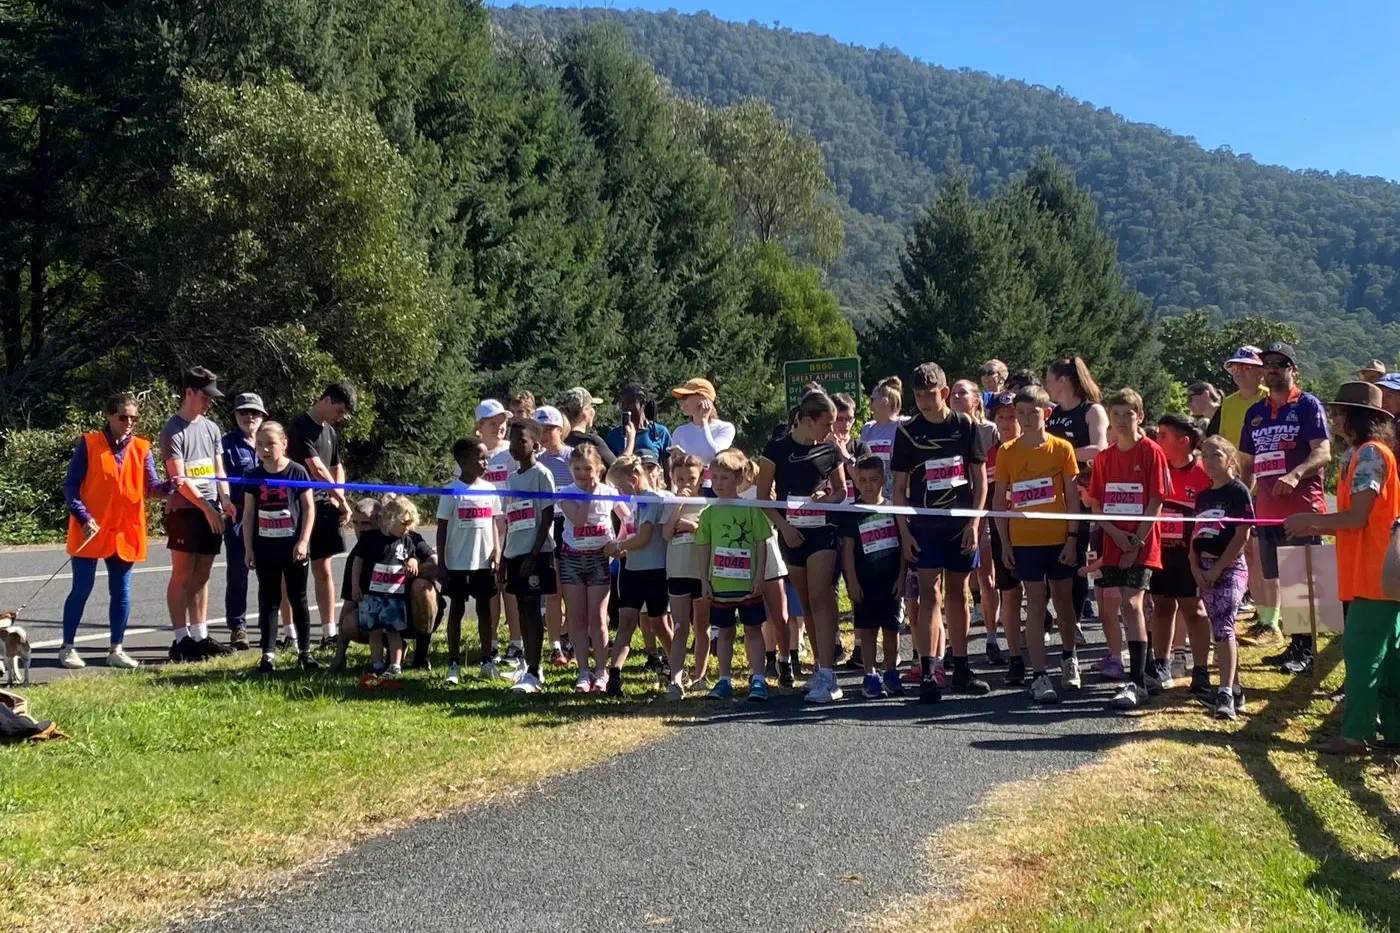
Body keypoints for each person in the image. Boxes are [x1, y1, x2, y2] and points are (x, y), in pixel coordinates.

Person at [1285, 382, 1400, 753]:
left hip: (1374, 576)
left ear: (1355, 415)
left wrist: (1309, 520)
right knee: (1390, 658)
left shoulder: (1369, 455)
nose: (1333, 417)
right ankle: (1393, 732)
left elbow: (1357, 517)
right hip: (1381, 574)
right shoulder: (1368, 453)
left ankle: (1355, 734)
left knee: (1363, 655)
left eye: (1339, 411)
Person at [891, 363, 989, 703]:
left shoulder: (965, 426)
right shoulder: (907, 432)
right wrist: (905, 532)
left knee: (959, 593)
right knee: (929, 595)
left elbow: (981, 481)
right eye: (917, 396)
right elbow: (899, 488)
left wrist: (974, 524)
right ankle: (930, 670)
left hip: (960, 526)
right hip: (925, 527)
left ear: (944, 393)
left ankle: (961, 667)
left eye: (930, 395)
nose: (923, 402)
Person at [58, 393, 174, 669]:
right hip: (91, 529)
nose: (129, 422)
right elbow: (71, 486)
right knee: (81, 588)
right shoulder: (89, 444)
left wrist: (171, 486)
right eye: (123, 417)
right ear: (109, 416)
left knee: (121, 592)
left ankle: (116, 649)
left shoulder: (142, 448)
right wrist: (83, 517)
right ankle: (67, 647)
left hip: (125, 530)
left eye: (134, 418)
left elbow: (151, 488)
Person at [1238, 341, 1331, 668]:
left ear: (1294, 370)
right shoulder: (1255, 413)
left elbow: (1323, 452)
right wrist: (1242, 497)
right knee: (1280, 579)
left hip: (1302, 507)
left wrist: (1295, 474)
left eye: (1281, 363)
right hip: (1266, 512)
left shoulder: (1307, 405)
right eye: (1269, 363)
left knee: (1303, 583)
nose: (1273, 368)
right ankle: (1295, 647)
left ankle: (1306, 654)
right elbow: (1247, 463)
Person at [757, 389, 848, 704]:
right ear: (806, 420)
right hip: (791, 534)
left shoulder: (829, 449)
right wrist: (783, 526)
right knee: (806, 601)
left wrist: (826, 500)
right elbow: (762, 497)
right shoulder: (776, 449)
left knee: (821, 595)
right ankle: (819, 669)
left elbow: (841, 491)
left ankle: (829, 673)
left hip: (822, 531)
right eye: (826, 424)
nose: (830, 431)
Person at [993, 386, 1081, 703]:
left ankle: (1069, 657)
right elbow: (999, 500)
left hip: (1059, 539)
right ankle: (1039, 674)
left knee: (1064, 599)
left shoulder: (1062, 449)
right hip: (1024, 541)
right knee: (1035, 599)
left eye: (1034, 413)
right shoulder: (1007, 451)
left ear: (1047, 413)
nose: (1027, 419)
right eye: (1021, 414)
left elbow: (1072, 498)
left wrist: (1073, 537)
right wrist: (1004, 542)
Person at [1086, 388, 1172, 712]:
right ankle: (1147, 672)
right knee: (1121, 605)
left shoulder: (1151, 452)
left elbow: (1156, 501)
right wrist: (1115, 536)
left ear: (1140, 416)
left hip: (1142, 542)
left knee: (1132, 603)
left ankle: (1136, 682)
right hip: (1112, 542)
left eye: (1128, 414)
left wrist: (1134, 542)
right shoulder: (1104, 458)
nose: (1122, 421)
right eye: (1116, 414)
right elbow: (1098, 505)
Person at [162, 367, 237, 663]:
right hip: (187, 511)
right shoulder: (172, 429)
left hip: (211, 509)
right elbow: (178, 478)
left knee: (202, 575)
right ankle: (181, 640)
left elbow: (219, 471)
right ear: (189, 392)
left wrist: (225, 500)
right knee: (182, 574)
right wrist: (206, 508)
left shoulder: (212, 428)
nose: (208, 403)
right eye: (205, 397)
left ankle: (200, 635)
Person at [241, 421, 317, 673]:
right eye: (259, 445)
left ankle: (305, 652)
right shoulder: (253, 475)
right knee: (269, 600)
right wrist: (248, 548)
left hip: (293, 547)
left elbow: (308, 508)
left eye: (270, 444)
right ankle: (268, 654)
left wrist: (304, 541)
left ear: (284, 444)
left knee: (299, 599)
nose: (264, 449)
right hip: (265, 547)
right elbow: (249, 513)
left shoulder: (296, 472)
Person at [696, 448, 772, 700]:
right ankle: (724, 679)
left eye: (725, 478)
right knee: (725, 633)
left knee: (753, 630)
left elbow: (762, 543)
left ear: (739, 479)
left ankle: (758, 677)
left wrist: (760, 576)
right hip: (720, 585)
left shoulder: (751, 509)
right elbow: (703, 548)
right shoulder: (707, 513)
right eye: (714, 477)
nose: (718, 483)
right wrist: (704, 580)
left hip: (748, 584)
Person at [1190, 435, 1254, 721]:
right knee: (1219, 627)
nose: (1209, 461)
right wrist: (1195, 566)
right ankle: (1236, 687)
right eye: (1204, 456)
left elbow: (1242, 534)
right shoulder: (1203, 496)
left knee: (1225, 626)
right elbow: (1195, 533)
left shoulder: (1238, 492)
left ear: (1229, 458)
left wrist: (1218, 569)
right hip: (1202, 566)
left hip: (1230, 568)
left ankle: (1225, 691)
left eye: (1215, 455)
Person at [288, 381, 357, 647]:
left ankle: (329, 631)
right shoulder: (300, 426)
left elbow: (336, 466)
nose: (340, 417)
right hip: (300, 506)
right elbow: (315, 468)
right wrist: (342, 500)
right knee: (292, 571)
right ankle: (290, 631)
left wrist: (337, 494)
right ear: (327, 400)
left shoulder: (331, 432)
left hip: (325, 504)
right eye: (339, 410)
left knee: (323, 568)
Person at [1150, 413, 1213, 697]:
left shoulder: (1203, 472)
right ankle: (1161, 664)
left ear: (1183, 441)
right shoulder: (1157, 468)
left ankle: (1200, 670)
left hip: (1190, 555)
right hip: (1161, 552)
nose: (1157, 440)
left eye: (1163, 435)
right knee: (1162, 607)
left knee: (1195, 611)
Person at [1045, 357, 1108, 631]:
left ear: (1063, 380)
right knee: (1051, 554)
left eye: (1049, 379)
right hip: (1052, 493)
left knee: (1077, 555)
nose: (1046, 385)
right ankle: (1048, 619)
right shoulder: (1052, 413)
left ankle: (1076, 621)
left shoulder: (1092, 411)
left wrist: (1062, 456)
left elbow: (1099, 449)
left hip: (1083, 492)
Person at [558, 443, 627, 693]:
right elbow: (578, 519)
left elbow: (628, 518)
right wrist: (589, 494)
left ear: (599, 468)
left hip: (599, 559)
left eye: (588, 468)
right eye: (577, 468)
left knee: (598, 618)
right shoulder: (566, 493)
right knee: (576, 617)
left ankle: (601, 670)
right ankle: (583, 671)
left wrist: (619, 542)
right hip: (572, 559)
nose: (583, 474)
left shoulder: (609, 492)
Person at [605, 455, 673, 694]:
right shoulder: (634, 501)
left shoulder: (651, 500)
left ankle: (676, 670)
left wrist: (619, 547)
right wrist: (619, 544)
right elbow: (631, 534)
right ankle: (614, 675)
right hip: (632, 570)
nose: (619, 492)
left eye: (620, 487)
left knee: (659, 624)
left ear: (634, 479)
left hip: (655, 571)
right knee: (625, 624)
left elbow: (644, 538)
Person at [436, 437, 501, 686]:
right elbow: (442, 529)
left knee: (485, 609)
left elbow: (494, 522)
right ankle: (453, 663)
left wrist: (496, 550)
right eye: (480, 458)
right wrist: (442, 562)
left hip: (484, 562)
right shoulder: (451, 491)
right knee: (457, 609)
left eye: (487, 458)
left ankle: (487, 660)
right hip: (457, 562)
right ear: (463, 461)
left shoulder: (490, 489)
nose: (485, 462)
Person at [840, 455, 906, 699]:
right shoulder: (852, 513)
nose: (867, 485)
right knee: (867, 630)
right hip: (865, 582)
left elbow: (902, 547)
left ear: (883, 480)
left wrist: (902, 578)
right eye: (862, 480)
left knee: (891, 629)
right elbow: (847, 551)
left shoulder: (892, 508)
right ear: (856, 481)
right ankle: (870, 675)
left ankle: (891, 672)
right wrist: (852, 581)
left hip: (891, 582)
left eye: (873, 480)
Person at [501, 418, 557, 695]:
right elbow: (511, 519)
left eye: (520, 441)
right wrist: (504, 555)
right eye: (511, 441)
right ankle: (528, 662)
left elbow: (547, 515)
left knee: (533, 609)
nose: (514, 446)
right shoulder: (511, 478)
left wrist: (534, 554)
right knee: (522, 609)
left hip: (536, 553)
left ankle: (535, 670)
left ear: (536, 445)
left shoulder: (541, 475)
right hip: (515, 551)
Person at [349, 496, 431, 685]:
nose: (407, 528)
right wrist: (355, 586)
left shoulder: (406, 540)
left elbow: (414, 556)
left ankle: (395, 665)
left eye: (409, 525)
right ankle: (376, 665)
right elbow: (357, 562)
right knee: (375, 632)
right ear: (390, 519)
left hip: (394, 596)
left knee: (394, 632)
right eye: (403, 524)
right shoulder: (370, 539)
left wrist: (413, 561)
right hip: (372, 594)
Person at [952, 378, 1004, 663]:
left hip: (983, 508)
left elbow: (994, 474)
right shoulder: (946, 429)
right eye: (954, 393)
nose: (956, 397)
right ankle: (955, 643)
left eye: (963, 393)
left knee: (986, 575)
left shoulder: (988, 430)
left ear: (976, 400)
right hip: (953, 509)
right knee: (957, 580)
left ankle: (992, 638)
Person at [472, 399, 522, 672]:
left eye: (503, 423)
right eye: (493, 423)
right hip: (483, 531)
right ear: (479, 426)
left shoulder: (511, 454)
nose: (500, 428)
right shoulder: (473, 454)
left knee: (510, 588)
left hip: (511, 527)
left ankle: (516, 642)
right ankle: (490, 642)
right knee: (489, 589)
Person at [220, 392, 266, 651]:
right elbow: (221, 479)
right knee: (238, 572)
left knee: (268, 572)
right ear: (235, 415)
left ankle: (267, 627)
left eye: (255, 413)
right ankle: (238, 628)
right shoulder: (226, 445)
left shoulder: (271, 442)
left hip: (268, 515)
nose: (250, 417)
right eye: (243, 412)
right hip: (238, 515)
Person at [664, 453, 708, 700]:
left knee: (702, 626)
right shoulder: (671, 502)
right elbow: (667, 533)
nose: (686, 483)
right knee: (680, 626)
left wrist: (692, 527)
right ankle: (676, 679)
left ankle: (700, 675)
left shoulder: (708, 503)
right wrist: (678, 504)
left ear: (700, 477)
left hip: (701, 572)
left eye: (691, 478)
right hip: (678, 570)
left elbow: (710, 535)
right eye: (680, 478)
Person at [533, 405, 573, 661]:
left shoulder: (571, 456)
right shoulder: (535, 460)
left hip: (568, 525)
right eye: (539, 430)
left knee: (570, 588)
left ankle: (570, 638)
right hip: (544, 525)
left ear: (560, 429)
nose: (544, 435)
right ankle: (555, 644)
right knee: (552, 591)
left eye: (549, 429)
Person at [671, 378, 736, 491]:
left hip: (713, 488)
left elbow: (714, 455)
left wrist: (704, 422)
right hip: (686, 489)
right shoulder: (680, 431)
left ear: (703, 399)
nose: (681, 402)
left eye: (685, 397)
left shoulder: (725, 428)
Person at [607, 384, 673, 479]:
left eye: (629, 403)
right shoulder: (614, 435)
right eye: (622, 404)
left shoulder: (659, 433)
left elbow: (668, 472)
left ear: (642, 403)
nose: (625, 408)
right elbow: (610, 470)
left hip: (651, 489)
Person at [1206, 346, 1265, 447]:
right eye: (1235, 367)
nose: (1238, 371)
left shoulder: (1272, 398)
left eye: (1245, 367)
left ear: (1261, 372)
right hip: (1233, 461)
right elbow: (1223, 440)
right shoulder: (1228, 403)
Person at [861, 376, 904, 493]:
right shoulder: (867, 429)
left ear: (885, 401)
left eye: (873, 400)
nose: (870, 406)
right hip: (875, 495)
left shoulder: (905, 425)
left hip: (899, 493)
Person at [558, 387, 616, 469]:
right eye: (593, 407)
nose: (594, 411)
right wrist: (629, 444)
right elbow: (617, 471)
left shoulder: (557, 440)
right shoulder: (591, 442)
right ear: (584, 411)